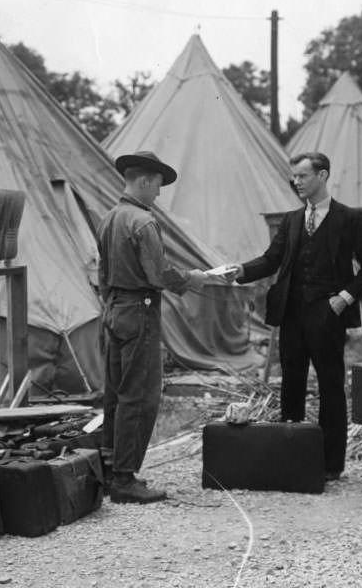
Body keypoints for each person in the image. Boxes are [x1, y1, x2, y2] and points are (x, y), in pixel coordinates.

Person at [224, 152, 362, 481]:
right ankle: (293, 458)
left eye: (302, 176)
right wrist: (241, 271)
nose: (296, 181)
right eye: (294, 176)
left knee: (331, 388)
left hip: (328, 314)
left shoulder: (349, 219)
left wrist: (344, 297)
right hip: (292, 316)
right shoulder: (292, 220)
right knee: (291, 386)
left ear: (323, 176)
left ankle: (331, 465)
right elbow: (271, 259)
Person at [98, 152, 211, 504]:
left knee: (115, 393)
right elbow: (158, 274)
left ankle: (108, 466)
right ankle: (124, 478)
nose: (158, 194)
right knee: (140, 394)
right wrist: (192, 279)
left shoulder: (110, 218)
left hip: (115, 310)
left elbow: (102, 275)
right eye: (158, 186)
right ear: (145, 181)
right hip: (140, 310)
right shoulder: (143, 222)